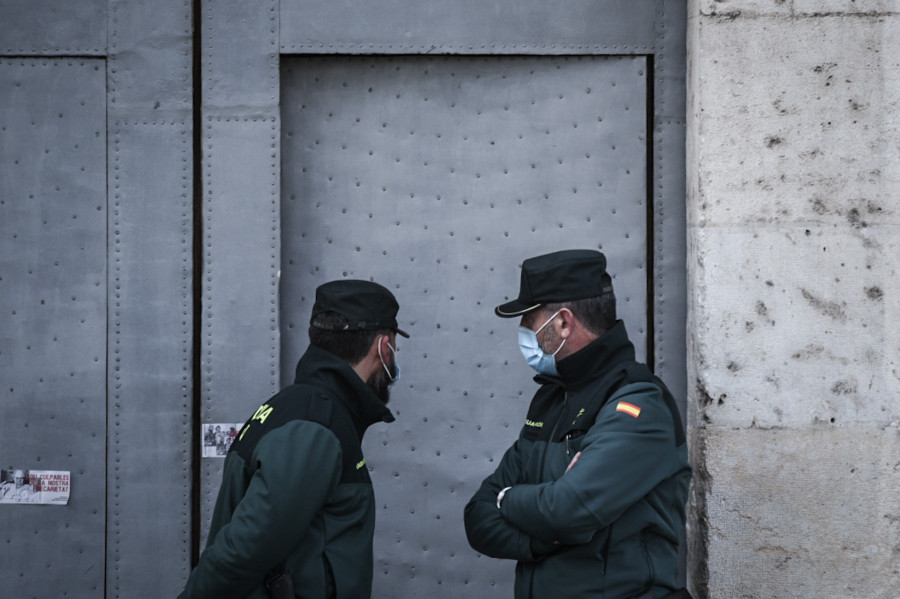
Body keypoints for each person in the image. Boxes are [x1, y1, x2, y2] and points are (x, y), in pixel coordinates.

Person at [464, 249, 692, 599]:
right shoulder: (551, 400)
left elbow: (568, 508)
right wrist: (544, 538)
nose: (526, 336)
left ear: (563, 323)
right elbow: (477, 517)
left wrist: (507, 499)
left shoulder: (639, 403)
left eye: (530, 323)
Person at [179, 279, 408, 599]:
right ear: (383, 347)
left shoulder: (295, 407)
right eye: (395, 348)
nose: (394, 357)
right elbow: (245, 550)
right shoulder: (315, 427)